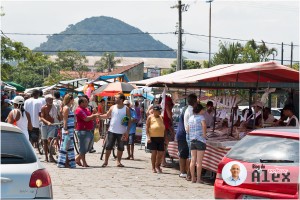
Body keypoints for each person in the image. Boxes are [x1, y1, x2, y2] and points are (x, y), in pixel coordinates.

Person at [99, 92, 131, 167]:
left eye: (117, 98)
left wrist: (127, 131)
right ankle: (106, 161)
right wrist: (99, 116)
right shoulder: (112, 107)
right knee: (108, 146)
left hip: (122, 132)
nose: (115, 99)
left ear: (121, 99)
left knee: (120, 147)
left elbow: (129, 120)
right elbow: (107, 115)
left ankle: (118, 161)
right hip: (112, 130)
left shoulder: (126, 109)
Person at [176, 93, 197, 179]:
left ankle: (185, 172)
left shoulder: (185, 108)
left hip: (183, 132)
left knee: (184, 154)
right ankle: (186, 173)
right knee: (187, 154)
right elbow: (191, 125)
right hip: (185, 133)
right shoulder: (190, 111)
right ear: (195, 102)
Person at [75, 97, 100, 167]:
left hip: (89, 130)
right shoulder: (79, 110)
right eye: (85, 102)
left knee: (88, 147)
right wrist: (94, 115)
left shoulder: (87, 109)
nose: (87, 103)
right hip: (83, 131)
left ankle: (77, 159)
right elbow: (86, 119)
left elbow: (90, 117)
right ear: (81, 103)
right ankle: (84, 162)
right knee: (83, 147)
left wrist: (94, 115)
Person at [187, 103, 207, 183]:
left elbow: (187, 129)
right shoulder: (201, 117)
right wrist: (204, 134)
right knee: (199, 161)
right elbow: (204, 125)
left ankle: (192, 178)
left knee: (193, 160)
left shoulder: (191, 118)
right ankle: (198, 179)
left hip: (192, 140)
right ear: (200, 110)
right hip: (200, 140)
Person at [40, 94, 61, 162]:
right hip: (44, 126)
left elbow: (58, 116)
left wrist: (62, 121)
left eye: (52, 99)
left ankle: (51, 155)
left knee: (50, 140)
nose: (51, 101)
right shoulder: (44, 108)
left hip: (52, 125)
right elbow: (42, 117)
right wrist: (47, 122)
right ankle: (46, 156)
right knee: (45, 141)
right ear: (46, 100)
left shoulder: (55, 107)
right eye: (49, 99)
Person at [57, 94, 76, 168]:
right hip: (67, 129)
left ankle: (67, 162)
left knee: (68, 146)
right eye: (72, 99)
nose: (73, 100)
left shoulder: (68, 108)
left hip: (70, 129)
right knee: (66, 146)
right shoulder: (66, 108)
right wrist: (65, 129)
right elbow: (65, 119)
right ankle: (64, 162)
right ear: (70, 100)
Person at [146, 105, 165, 173]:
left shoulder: (161, 117)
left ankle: (158, 165)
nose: (160, 111)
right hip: (153, 137)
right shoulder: (150, 117)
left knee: (160, 153)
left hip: (161, 137)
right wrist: (148, 137)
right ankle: (153, 167)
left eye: (160, 110)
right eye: (158, 110)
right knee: (154, 153)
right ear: (154, 111)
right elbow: (147, 128)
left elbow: (163, 127)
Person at [161, 95, 175, 168]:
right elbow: (169, 116)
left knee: (163, 145)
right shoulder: (166, 106)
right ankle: (163, 161)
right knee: (164, 144)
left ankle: (162, 161)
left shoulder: (162, 105)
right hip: (166, 126)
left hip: (163, 125)